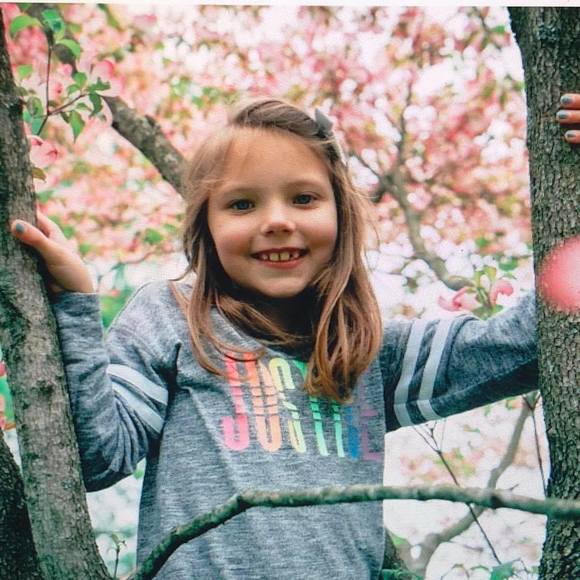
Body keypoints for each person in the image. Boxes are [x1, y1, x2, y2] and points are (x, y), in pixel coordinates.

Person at [9, 94, 580, 579]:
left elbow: (527, 347)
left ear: (340, 214)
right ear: (207, 226)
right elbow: (96, 458)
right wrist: (76, 304)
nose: (277, 220)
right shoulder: (174, 319)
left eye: (304, 198)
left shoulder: (364, 350)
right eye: (242, 204)